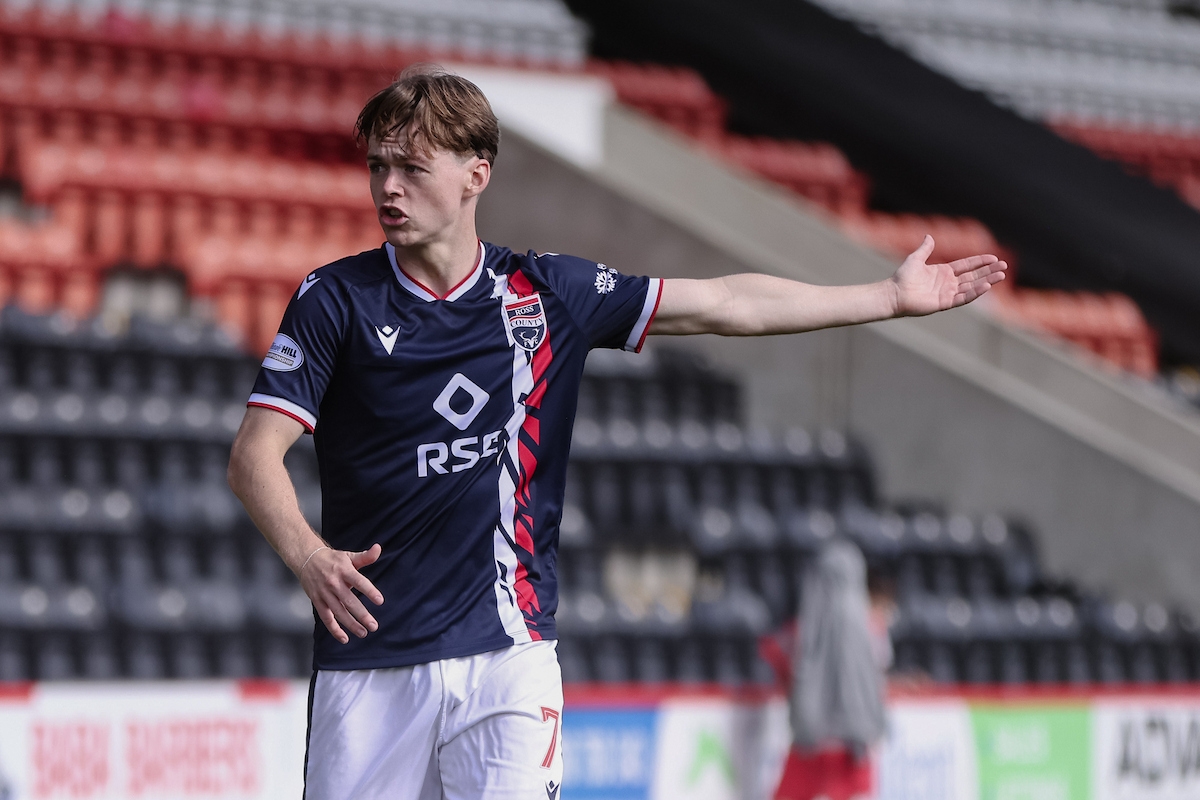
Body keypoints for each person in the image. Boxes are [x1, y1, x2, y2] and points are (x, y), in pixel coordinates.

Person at [226, 65, 1006, 800]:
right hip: (371, 659)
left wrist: (885, 298)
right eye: (377, 167)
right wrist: (309, 557)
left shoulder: (545, 294)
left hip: (508, 652)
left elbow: (725, 303)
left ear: (475, 174)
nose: (387, 187)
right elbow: (254, 455)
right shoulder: (335, 301)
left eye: (411, 167)